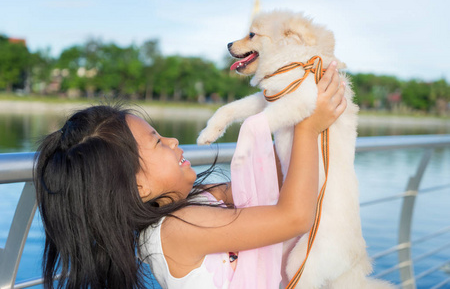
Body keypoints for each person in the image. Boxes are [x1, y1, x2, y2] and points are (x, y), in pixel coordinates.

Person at [34, 61, 346, 289]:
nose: (172, 141)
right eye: (157, 142)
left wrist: (296, 110)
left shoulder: (197, 200)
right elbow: (293, 217)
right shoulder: (174, 231)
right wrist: (307, 128)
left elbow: (271, 186)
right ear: (137, 186)